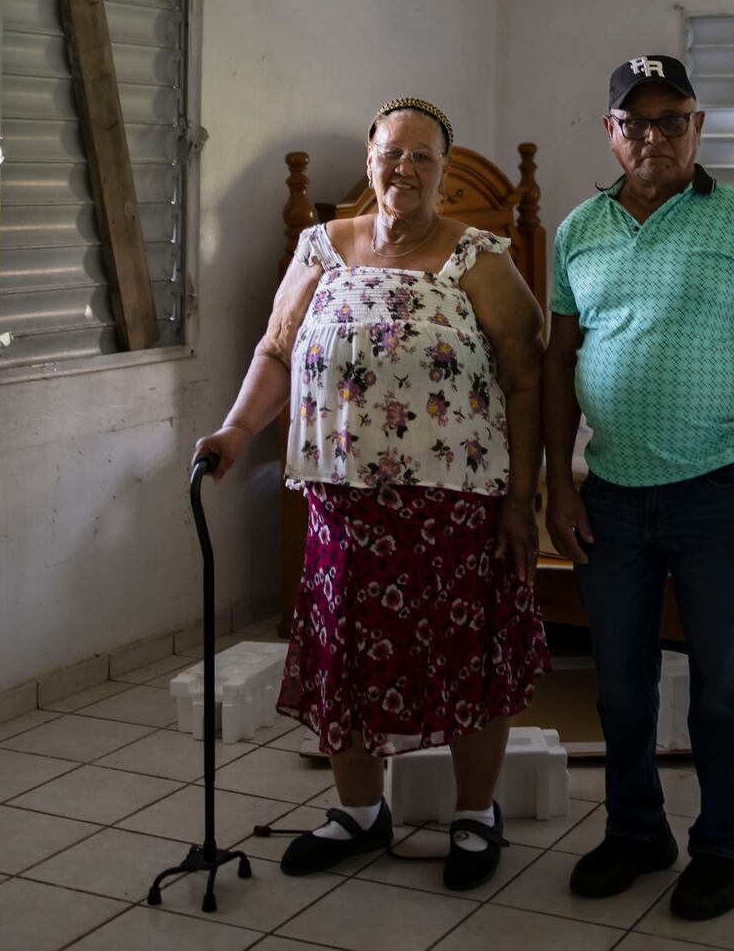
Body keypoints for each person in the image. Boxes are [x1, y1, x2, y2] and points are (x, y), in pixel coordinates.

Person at [194, 97, 548, 891]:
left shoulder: (481, 256)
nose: (405, 168)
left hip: (456, 502)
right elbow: (276, 350)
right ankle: (358, 809)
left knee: (466, 656)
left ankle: (475, 811)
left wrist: (522, 499)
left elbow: (528, 375)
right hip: (343, 502)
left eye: (423, 156)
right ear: (369, 160)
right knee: (345, 653)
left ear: (445, 174)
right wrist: (233, 433)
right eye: (393, 152)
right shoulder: (320, 248)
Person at [542, 55, 734, 923]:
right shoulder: (578, 228)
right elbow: (556, 364)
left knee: (723, 688)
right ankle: (636, 830)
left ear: (699, 126)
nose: (654, 136)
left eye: (673, 118)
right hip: (611, 495)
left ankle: (723, 847)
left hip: (716, 496)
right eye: (637, 122)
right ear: (611, 132)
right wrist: (559, 484)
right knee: (619, 684)